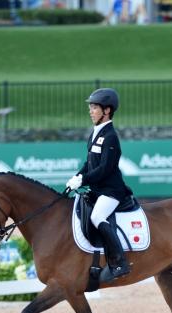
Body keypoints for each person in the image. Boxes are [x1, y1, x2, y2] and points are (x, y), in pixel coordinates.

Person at [66, 88, 133, 280]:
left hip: (112, 191)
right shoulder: (95, 133)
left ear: (107, 111)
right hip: (98, 190)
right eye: (91, 107)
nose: (90, 111)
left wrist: (84, 179)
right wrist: (77, 177)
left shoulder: (111, 136)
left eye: (94, 107)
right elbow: (89, 163)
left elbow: (105, 169)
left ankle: (119, 263)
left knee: (97, 217)